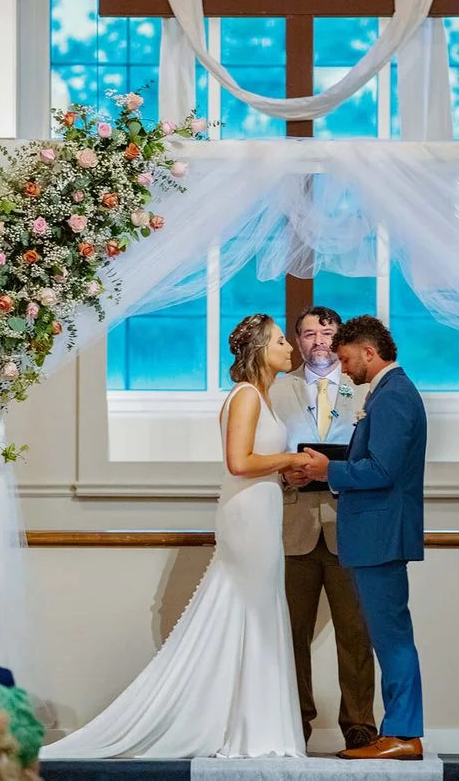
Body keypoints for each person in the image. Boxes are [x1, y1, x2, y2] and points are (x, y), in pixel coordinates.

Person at [41, 314, 307, 759]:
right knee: (249, 611)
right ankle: (243, 727)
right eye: (282, 340)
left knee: (258, 613)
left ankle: (252, 724)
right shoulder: (245, 397)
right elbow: (239, 463)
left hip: (262, 512)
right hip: (247, 520)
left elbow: (256, 464)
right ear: (261, 349)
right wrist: (287, 459)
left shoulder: (265, 398)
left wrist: (285, 473)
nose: (290, 348)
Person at [291, 315, 429, 761]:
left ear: (369, 353)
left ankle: (403, 733)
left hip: (380, 533)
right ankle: (400, 730)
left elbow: (382, 470)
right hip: (377, 532)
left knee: (390, 637)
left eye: (347, 358)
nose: (343, 368)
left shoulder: (393, 397)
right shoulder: (390, 392)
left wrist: (325, 469)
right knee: (388, 635)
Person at [266, 307, 381, 751]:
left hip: (347, 523)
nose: (318, 341)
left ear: (339, 340)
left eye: (326, 333)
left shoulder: (367, 390)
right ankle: (296, 721)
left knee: (356, 632)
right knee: (291, 631)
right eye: (309, 333)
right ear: (297, 341)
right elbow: (261, 452)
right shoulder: (277, 391)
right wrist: (283, 472)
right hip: (293, 525)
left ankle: (359, 725)